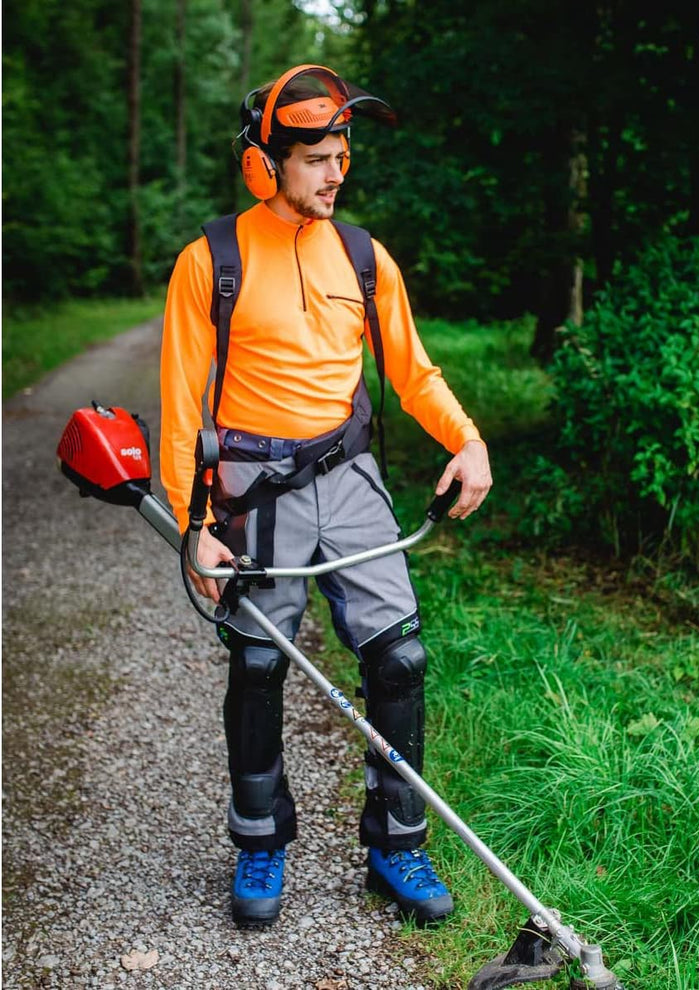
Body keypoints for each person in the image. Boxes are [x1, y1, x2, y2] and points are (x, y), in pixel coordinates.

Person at [159, 63, 492, 928]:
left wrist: (467, 439)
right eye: (315, 157)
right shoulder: (210, 262)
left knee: (400, 658)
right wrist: (194, 525)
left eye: (343, 153)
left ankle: (397, 845)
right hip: (254, 489)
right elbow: (178, 408)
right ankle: (261, 842)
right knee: (261, 664)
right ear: (264, 167)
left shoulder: (363, 255)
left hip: (349, 478)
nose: (337, 171)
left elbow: (413, 373)